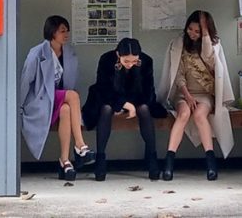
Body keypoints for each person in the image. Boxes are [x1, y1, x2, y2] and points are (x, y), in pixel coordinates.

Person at [157, 10, 235, 181]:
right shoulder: (178, 44)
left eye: (197, 31)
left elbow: (209, 58)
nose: (192, 34)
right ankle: (169, 162)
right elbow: (178, 75)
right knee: (183, 114)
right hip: (184, 93)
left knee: (200, 115)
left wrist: (206, 33)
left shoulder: (214, 45)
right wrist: (187, 96)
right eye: (190, 29)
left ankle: (210, 162)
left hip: (205, 94)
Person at [19, 16, 94, 181]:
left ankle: (65, 161)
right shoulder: (37, 53)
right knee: (73, 96)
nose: (66, 34)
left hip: (58, 100)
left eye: (67, 30)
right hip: (41, 100)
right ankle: (80, 145)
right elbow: (26, 80)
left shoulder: (69, 52)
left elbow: (70, 81)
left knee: (66, 110)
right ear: (52, 32)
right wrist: (20, 106)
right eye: (62, 31)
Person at [81, 38, 167, 181]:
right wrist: (122, 104)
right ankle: (100, 158)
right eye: (126, 61)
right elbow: (103, 88)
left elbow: (148, 91)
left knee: (145, 109)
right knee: (106, 110)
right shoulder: (106, 59)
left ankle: (152, 156)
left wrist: (133, 105)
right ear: (118, 55)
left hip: (137, 97)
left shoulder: (146, 61)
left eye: (134, 61)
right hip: (110, 97)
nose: (130, 65)